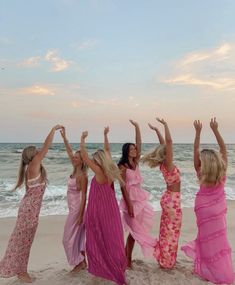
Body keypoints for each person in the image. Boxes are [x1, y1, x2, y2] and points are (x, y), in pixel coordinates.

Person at [0, 125, 62, 283]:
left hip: (29, 211)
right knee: (22, 242)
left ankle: (21, 270)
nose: (39, 152)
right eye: (36, 151)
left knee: (24, 241)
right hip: (28, 212)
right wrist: (53, 130)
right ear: (32, 155)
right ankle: (21, 272)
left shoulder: (32, 168)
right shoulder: (33, 166)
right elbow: (46, 146)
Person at [181, 118, 234, 284]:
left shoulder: (200, 171)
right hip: (217, 207)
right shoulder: (222, 171)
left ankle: (206, 268)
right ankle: (218, 268)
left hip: (202, 207)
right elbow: (224, 148)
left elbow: (196, 149)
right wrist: (215, 130)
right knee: (219, 237)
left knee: (205, 238)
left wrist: (197, 132)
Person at [80, 127, 127, 285]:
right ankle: (116, 264)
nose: (92, 162)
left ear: (98, 162)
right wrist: (105, 136)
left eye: (94, 160)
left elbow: (85, 158)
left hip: (100, 211)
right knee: (111, 238)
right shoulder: (110, 171)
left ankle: (104, 267)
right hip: (110, 210)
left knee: (98, 238)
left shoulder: (99, 172)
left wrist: (82, 139)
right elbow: (107, 151)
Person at [141, 118, 182, 269]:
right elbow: (169, 142)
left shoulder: (163, 165)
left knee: (166, 230)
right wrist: (165, 125)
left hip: (168, 198)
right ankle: (167, 261)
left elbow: (164, 145)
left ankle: (165, 258)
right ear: (166, 155)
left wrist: (157, 131)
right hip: (173, 200)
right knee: (172, 232)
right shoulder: (168, 164)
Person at [119, 120, 156, 268]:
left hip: (140, 201)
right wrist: (129, 206)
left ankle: (126, 256)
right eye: (132, 149)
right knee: (134, 232)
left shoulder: (136, 163)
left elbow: (139, 142)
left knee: (134, 233)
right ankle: (126, 259)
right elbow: (122, 188)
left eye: (135, 149)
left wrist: (137, 126)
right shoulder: (122, 166)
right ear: (127, 151)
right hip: (130, 202)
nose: (135, 150)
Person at [60, 127, 88, 274]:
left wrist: (81, 214)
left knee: (67, 239)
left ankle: (79, 263)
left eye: (77, 157)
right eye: (74, 158)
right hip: (72, 209)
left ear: (82, 160)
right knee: (77, 238)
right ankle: (82, 263)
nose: (74, 158)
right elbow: (69, 151)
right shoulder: (74, 170)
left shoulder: (82, 175)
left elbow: (84, 196)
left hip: (78, 210)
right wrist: (65, 138)